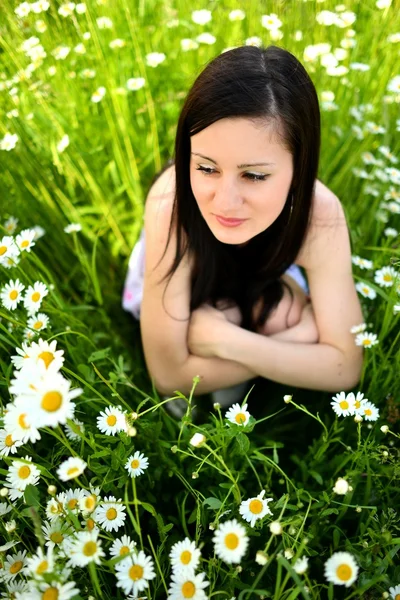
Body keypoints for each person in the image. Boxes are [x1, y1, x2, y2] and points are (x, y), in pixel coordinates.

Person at [122, 45, 364, 413]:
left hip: (259, 278)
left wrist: (224, 340)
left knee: (283, 312)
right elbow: (168, 375)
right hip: (192, 281)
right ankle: (246, 367)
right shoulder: (169, 205)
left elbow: (346, 367)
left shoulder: (320, 215)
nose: (224, 202)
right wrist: (300, 342)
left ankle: (220, 368)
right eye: (206, 168)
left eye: (253, 175)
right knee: (290, 324)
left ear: (300, 168)